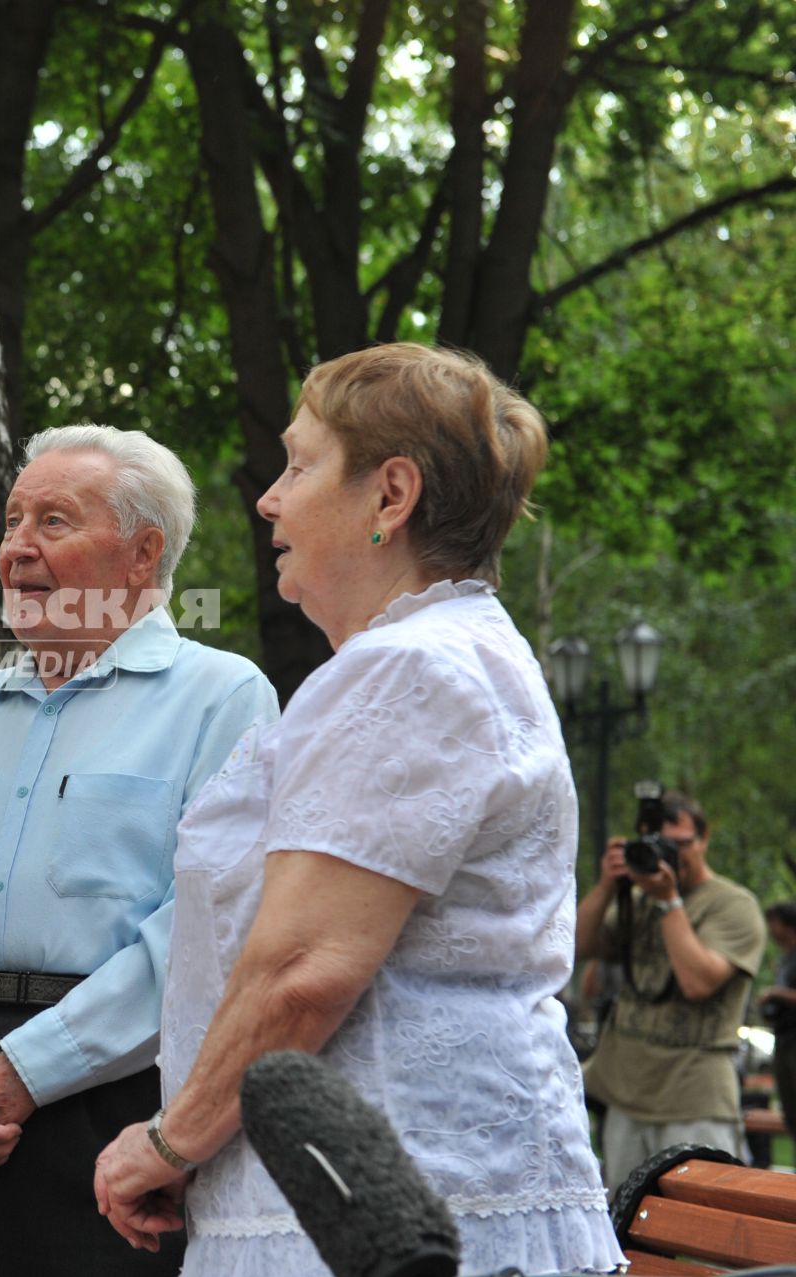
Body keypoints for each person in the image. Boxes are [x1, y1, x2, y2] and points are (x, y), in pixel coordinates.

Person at [94, 344, 623, 1276]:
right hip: (388, 1191)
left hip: (383, 1219)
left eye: (298, 465)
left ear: (392, 495)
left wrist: (170, 1142)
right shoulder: (443, 654)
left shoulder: (409, 669)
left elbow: (301, 969)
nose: (269, 498)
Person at [0, 425, 279, 1277]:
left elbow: (207, 931)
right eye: (12, 521)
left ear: (142, 552)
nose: (16, 549)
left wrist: (24, 1071)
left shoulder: (221, 697)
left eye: (53, 521)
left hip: (107, 1103)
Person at [577, 792, 765, 1189]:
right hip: (627, 1098)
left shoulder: (733, 905)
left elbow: (697, 982)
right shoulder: (636, 900)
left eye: (681, 844)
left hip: (694, 1100)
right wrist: (607, 887)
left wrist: (668, 903)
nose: (672, 856)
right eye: (660, 844)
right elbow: (572, 946)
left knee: (703, 1231)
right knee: (626, 1229)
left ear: (705, 838)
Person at [763, 901, 796, 1142]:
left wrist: (775, 993)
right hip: (783, 1039)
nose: (770, 928)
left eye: (773, 922)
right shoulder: (785, 959)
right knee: (790, 1112)